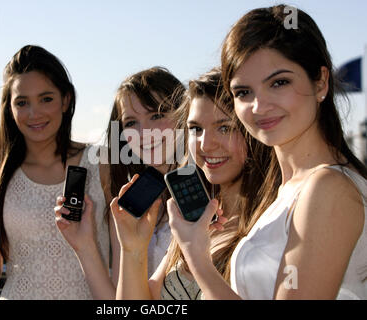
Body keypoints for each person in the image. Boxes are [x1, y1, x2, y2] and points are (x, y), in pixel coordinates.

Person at [168, 4, 367, 300]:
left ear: (321, 81)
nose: (259, 107)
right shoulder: (284, 192)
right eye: (243, 92)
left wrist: (197, 257)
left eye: (279, 82)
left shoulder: (328, 189)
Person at [0, 45, 110, 299]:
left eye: (46, 99)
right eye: (22, 102)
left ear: (66, 100)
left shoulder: (100, 163)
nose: (34, 113)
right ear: (10, 108)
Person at [110, 67, 276, 299]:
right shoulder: (194, 219)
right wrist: (133, 248)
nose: (205, 145)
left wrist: (196, 256)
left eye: (225, 128)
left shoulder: (273, 219)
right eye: (196, 129)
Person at [55, 67, 186, 299]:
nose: (144, 132)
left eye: (156, 115)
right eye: (131, 123)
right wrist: (83, 244)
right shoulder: (130, 203)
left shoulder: (204, 196)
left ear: (184, 114)